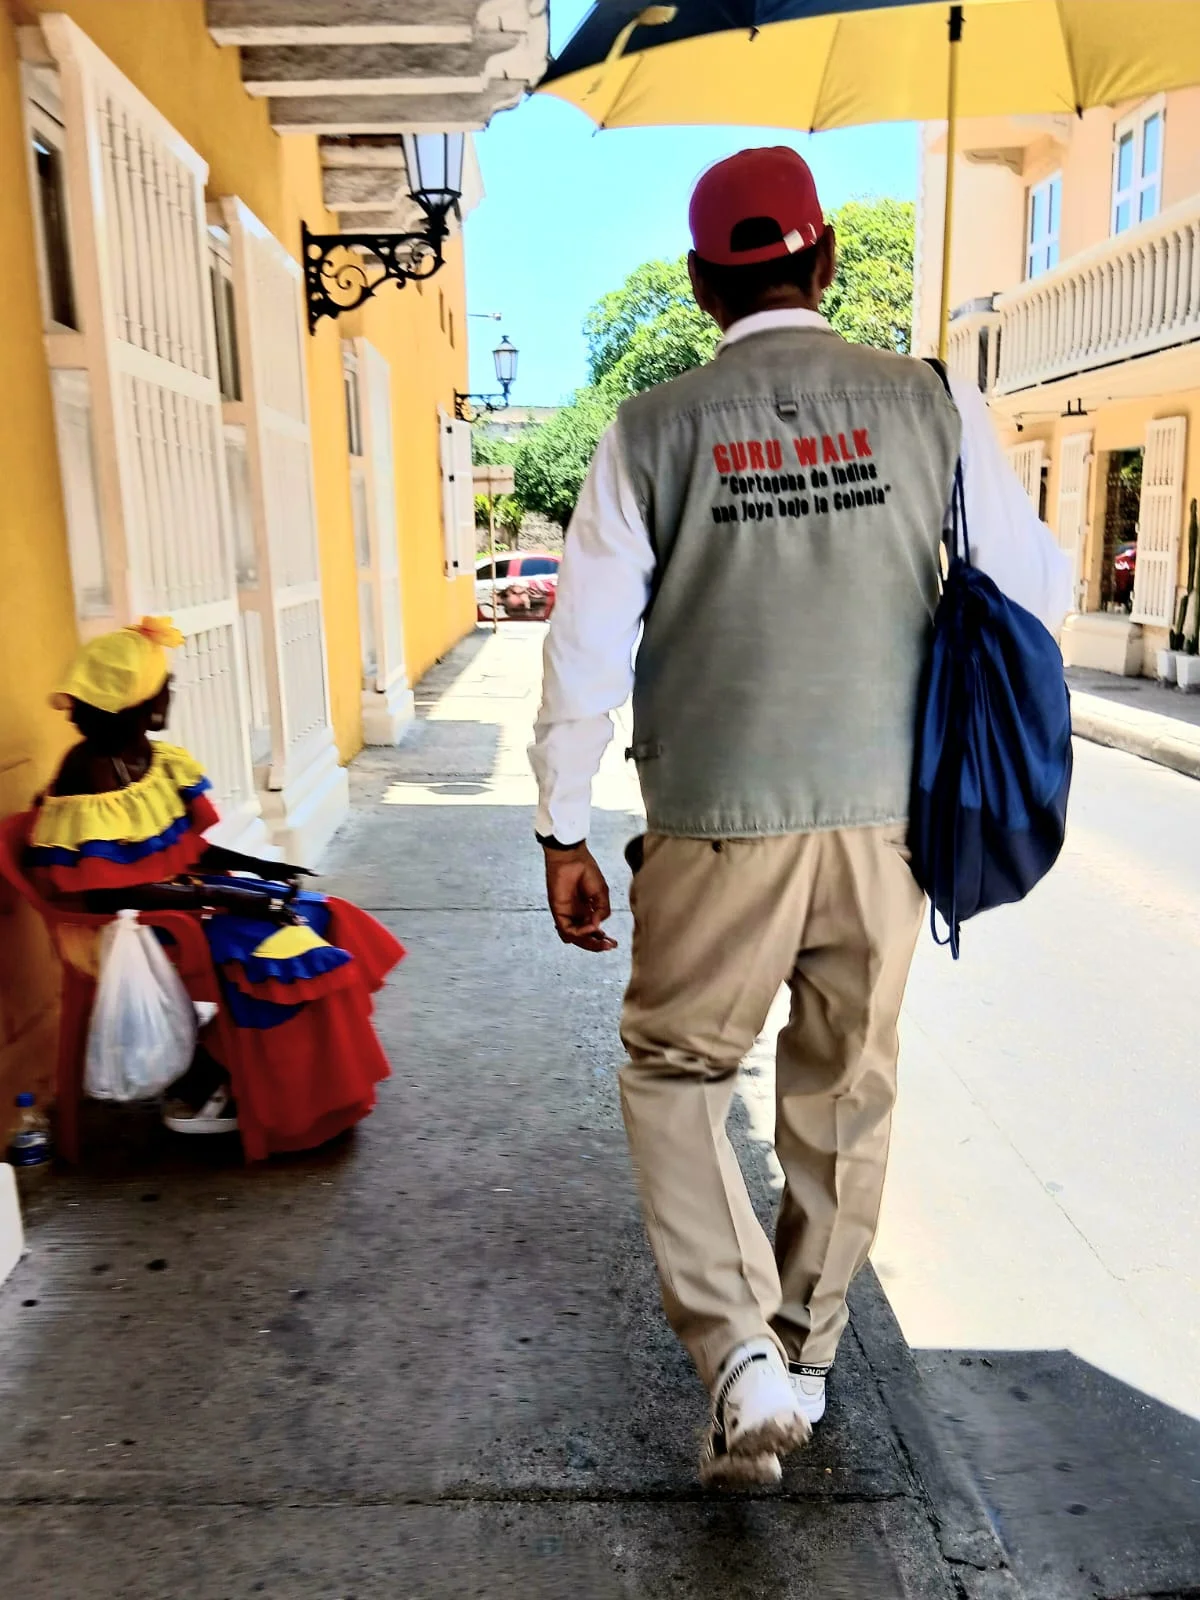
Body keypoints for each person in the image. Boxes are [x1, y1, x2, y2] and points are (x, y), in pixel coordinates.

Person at [530, 148, 1073, 1487]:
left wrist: (561, 827)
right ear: (824, 261)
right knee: (844, 1093)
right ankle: (803, 1351)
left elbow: (587, 646)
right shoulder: (932, 402)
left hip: (717, 819)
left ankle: (737, 1360)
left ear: (709, 281)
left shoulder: (651, 428)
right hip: (890, 823)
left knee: (677, 1075)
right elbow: (1039, 589)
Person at [28, 617, 403, 1159]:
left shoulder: (153, 761)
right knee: (283, 951)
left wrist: (263, 872)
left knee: (324, 915)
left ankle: (249, 1077)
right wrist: (233, 896)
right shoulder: (89, 772)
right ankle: (262, 1098)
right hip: (129, 928)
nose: (171, 692)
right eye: (163, 684)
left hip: (178, 904)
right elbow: (110, 892)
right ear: (133, 699)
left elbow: (186, 849)